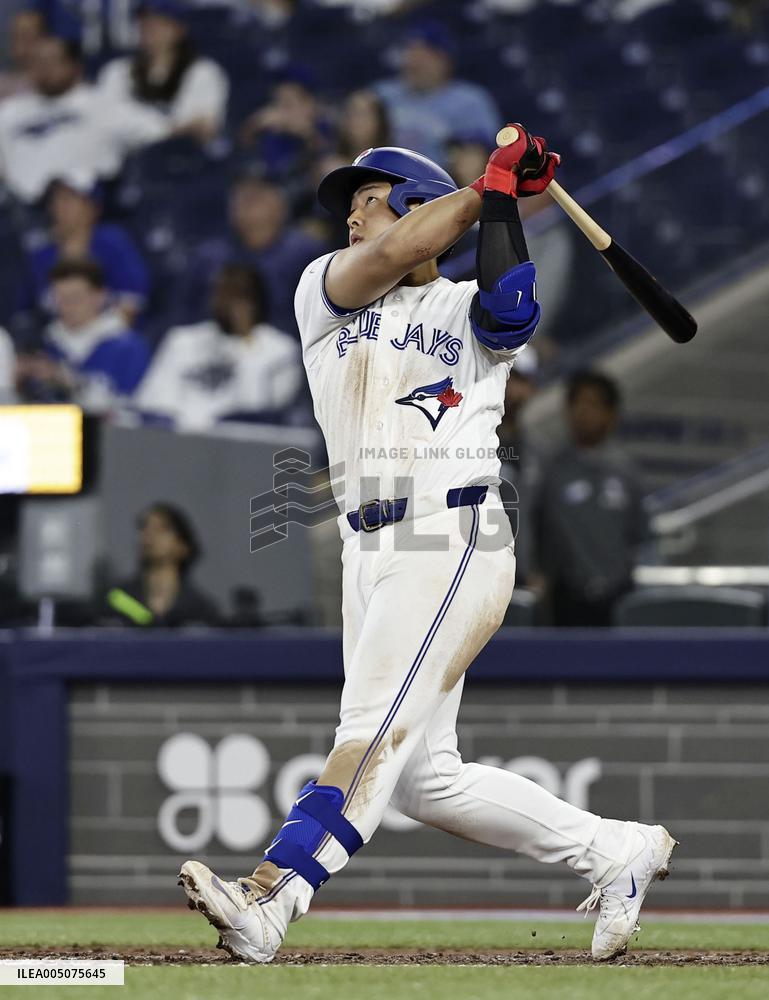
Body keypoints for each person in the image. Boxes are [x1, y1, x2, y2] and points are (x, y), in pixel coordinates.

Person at [178, 126, 676, 963]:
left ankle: (273, 895)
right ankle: (615, 849)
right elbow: (405, 245)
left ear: (413, 204)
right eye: (351, 208)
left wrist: (500, 201)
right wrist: (493, 186)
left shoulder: (458, 304)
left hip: (452, 532)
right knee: (420, 779)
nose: (352, 219)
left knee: (367, 730)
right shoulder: (323, 293)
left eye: (369, 202)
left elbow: (509, 307)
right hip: (366, 551)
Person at [534, 370, 649, 627]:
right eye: (576, 403)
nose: (583, 412)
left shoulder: (626, 472)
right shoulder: (551, 470)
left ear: (611, 414)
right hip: (565, 597)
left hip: (619, 595)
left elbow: (640, 534)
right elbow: (539, 529)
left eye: (594, 404)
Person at [0, 33, 169, 205]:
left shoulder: (102, 105)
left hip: (87, 207)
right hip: (20, 214)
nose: (45, 69)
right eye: (38, 62)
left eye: (53, 61)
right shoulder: (11, 112)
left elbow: (162, 130)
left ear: (75, 65)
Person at [136, 263, 301, 430]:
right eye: (221, 293)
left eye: (238, 295)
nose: (226, 303)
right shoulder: (182, 340)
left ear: (255, 302)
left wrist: (246, 344)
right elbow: (150, 402)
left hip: (235, 446)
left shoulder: (281, 351)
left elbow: (259, 416)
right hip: (174, 441)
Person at [176, 174, 325, 334]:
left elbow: (320, 316)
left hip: (287, 345)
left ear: (280, 207)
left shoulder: (305, 252)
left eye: (257, 198)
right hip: (215, 344)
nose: (248, 205)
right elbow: (184, 313)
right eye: (242, 197)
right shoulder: (208, 256)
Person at [16, 258, 150, 412]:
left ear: (101, 296)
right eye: (60, 297)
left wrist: (67, 381)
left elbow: (128, 407)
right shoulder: (45, 343)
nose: (67, 305)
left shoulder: (129, 347)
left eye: (76, 297)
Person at [21, 171, 150, 324]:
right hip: (56, 341)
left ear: (92, 208)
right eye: (55, 200)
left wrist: (92, 339)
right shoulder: (41, 255)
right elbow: (29, 310)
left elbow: (130, 303)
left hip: (108, 338)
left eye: (68, 200)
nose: (59, 207)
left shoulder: (112, 243)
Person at [98, 0, 229, 143]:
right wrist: (166, 129)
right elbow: (107, 122)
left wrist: (140, 125)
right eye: (144, 22)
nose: (150, 28)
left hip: (181, 161)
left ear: (179, 29)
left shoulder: (204, 72)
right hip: (127, 161)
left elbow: (197, 129)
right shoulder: (116, 71)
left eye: (160, 22)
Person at [372, 21, 500, 165]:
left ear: (445, 61)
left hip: (446, 181)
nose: (414, 61)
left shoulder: (470, 101)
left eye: (425, 56)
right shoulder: (382, 94)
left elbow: (482, 155)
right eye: (410, 53)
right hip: (384, 176)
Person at [98, 502, 219, 627]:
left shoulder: (199, 607)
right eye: (144, 527)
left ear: (183, 547)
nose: (149, 534)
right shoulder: (117, 598)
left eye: (162, 529)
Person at [0, 7, 47, 102]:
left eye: (28, 38)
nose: (22, 46)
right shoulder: (3, 84)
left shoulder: (56, 84)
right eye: (16, 37)